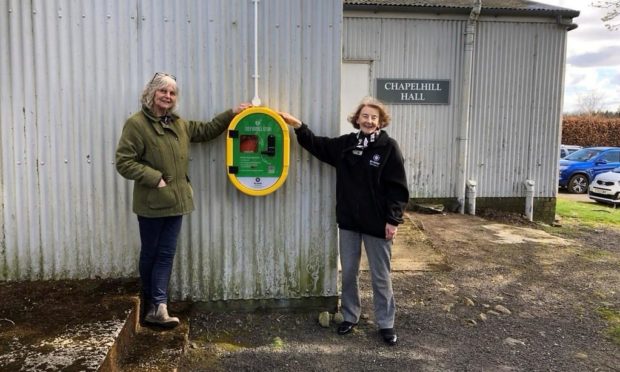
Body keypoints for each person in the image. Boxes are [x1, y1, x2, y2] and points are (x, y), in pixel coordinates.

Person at [115, 72, 250, 328]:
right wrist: (154, 178)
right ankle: (151, 302)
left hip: (177, 202)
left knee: (166, 254)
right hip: (152, 203)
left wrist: (232, 113)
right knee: (151, 253)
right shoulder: (137, 124)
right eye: (163, 91)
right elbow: (124, 161)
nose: (168, 96)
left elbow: (207, 130)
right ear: (151, 94)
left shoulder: (178, 124)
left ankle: (159, 306)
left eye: (172, 93)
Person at [279, 97, 409, 346]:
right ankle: (350, 316)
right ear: (357, 119)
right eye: (365, 116)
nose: (369, 120)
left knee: (381, 276)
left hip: (377, 224)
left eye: (374, 117)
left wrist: (393, 220)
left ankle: (386, 324)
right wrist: (299, 126)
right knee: (348, 272)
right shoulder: (347, 145)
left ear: (381, 121)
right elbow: (319, 146)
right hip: (349, 222)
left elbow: (398, 189)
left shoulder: (388, 147)